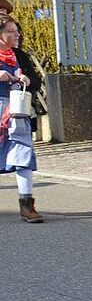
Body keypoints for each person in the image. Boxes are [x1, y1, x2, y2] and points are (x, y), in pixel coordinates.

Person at [0, 14, 43, 222]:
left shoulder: (20, 56)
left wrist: (27, 79)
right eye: (10, 31)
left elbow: (37, 82)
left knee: (23, 152)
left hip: (17, 109)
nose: (16, 35)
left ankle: (27, 203)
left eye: (16, 30)